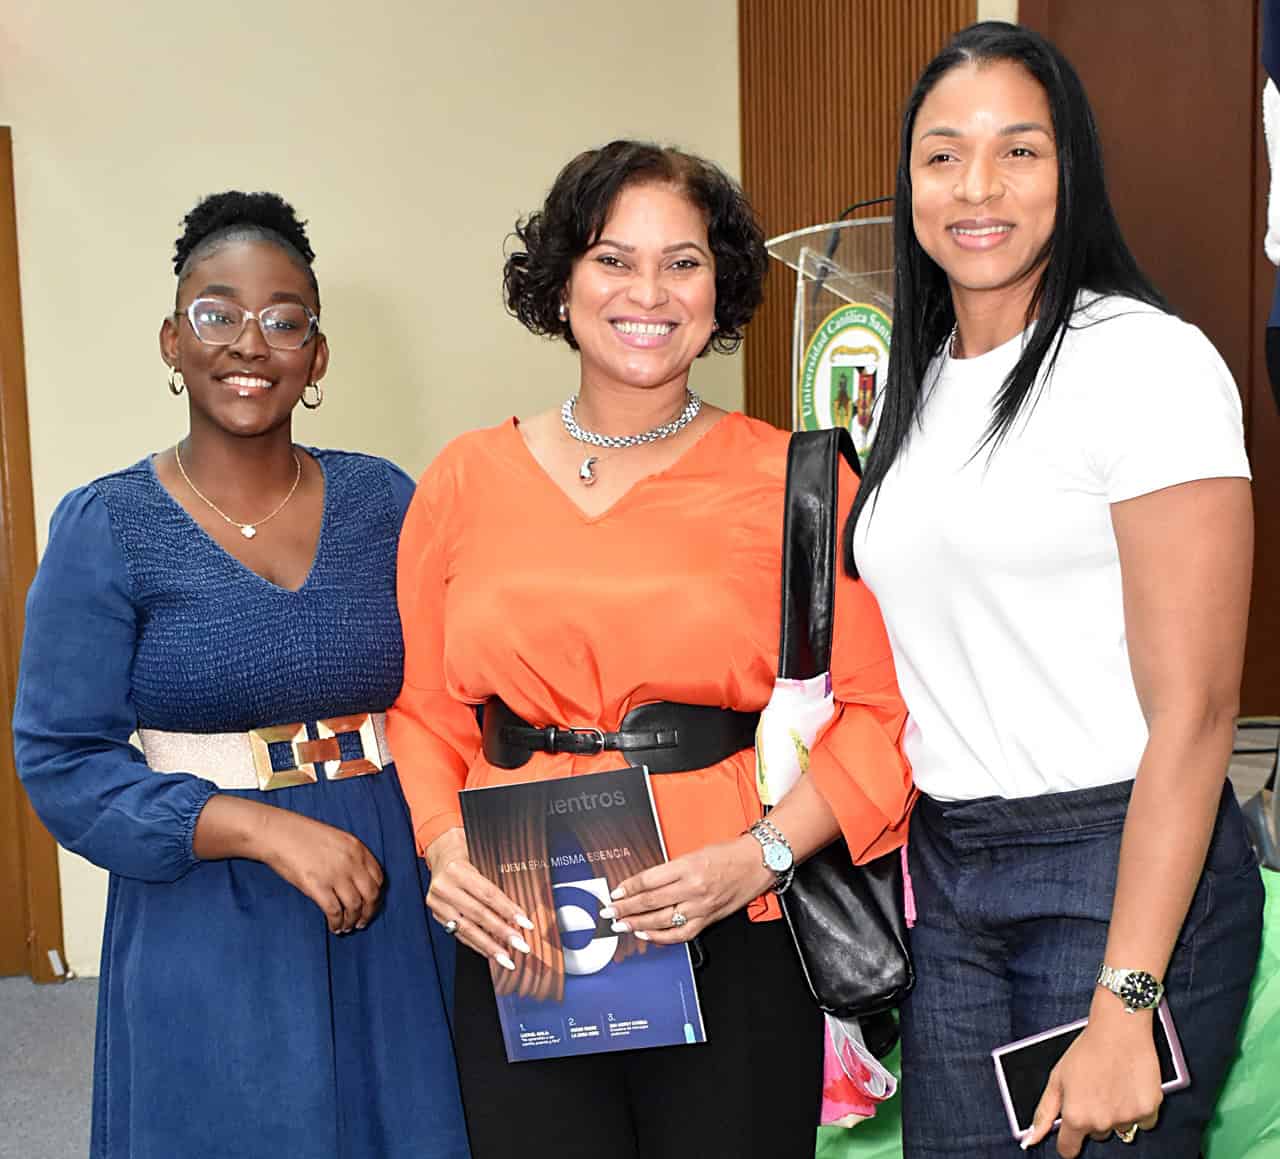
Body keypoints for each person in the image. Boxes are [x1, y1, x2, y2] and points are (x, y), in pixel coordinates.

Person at [386, 140, 913, 1158]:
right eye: (611, 258)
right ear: (561, 281)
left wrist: (758, 858)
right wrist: (442, 846)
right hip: (521, 918)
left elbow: (883, 713)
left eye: (682, 261)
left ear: (721, 287)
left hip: (727, 912)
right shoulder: (463, 478)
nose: (648, 292)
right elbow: (421, 706)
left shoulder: (793, 480)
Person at [844, 21, 1264, 1159]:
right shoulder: (912, 388)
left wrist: (1127, 997)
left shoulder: (1143, 362)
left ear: (1068, 171)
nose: (975, 186)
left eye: (1017, 151)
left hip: (1117, 863)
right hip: (955, 874)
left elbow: (1196, 714)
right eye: (941, 154)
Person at [12, 192, 469, 1159]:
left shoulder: (387, 500)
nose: (249, 343)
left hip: (383, 882)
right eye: (218, 314)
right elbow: (60, 760)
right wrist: (258, 828)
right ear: (174, 340)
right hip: (202, 894)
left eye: (283, 319)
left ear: (317, 356)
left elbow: (457, 681)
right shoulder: (108, 526)